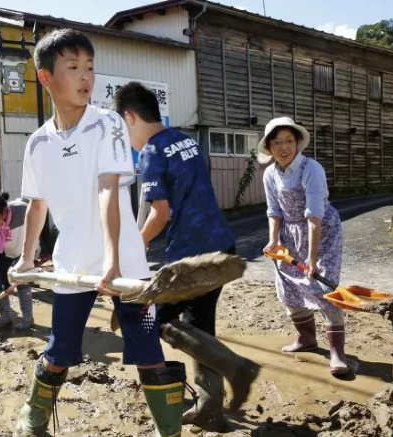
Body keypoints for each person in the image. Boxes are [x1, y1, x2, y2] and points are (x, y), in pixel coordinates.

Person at [9, 29, 186, 437]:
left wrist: (113, 261)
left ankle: (169, 432)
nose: (86, 77)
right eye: (73, 68)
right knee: (59, 351)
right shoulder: (37, 144)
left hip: (126, 266)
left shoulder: (107, 124)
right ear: (46, 77)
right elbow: (38, 205)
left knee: (147, 350)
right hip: (73, 266)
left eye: (89, 67)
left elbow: (108, 189)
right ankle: (33, 420)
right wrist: (25, 257)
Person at [114, 82, 253, 431]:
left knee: (151, 319)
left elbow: (158, 214)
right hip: (221, 247)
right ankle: (210, 409)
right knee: (200, 327)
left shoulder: (150, 152)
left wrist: (136, 245)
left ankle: (236, 367)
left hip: (190, 259)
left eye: (121, 127)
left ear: (130, 117)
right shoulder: (186, 141)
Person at [259, 117, 349, 376]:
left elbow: (314, 215)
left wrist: (311, 258)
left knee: (324, 287)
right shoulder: (270, 174)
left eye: (288, 141)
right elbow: (274, 210)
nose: (283, 147)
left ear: (297, 142)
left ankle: (337, 354)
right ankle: (306, 339)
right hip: (290, 233)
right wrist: (273, 240)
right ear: (270, 147)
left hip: (321, 230)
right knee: (287, 285)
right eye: (277, 143)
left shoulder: (312, 169)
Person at [0, 192, 38, 331]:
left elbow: (39, 223)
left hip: (23, 251)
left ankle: (28, 318)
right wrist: (5, 282)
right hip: (3, 253)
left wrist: (40, 249)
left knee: (23, 281)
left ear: (4, 211)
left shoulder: (23, 210)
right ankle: (5, 317)